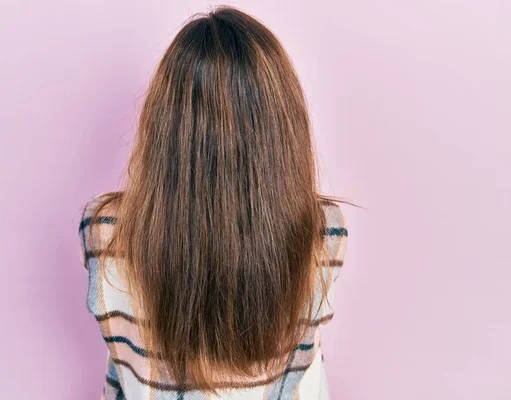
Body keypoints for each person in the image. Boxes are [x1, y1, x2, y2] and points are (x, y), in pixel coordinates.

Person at [78, 5, 348, 399]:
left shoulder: (103, 230)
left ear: (164, 121)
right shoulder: (324, 229)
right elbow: (302, 376)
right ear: (283, 125)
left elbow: (121, 370)